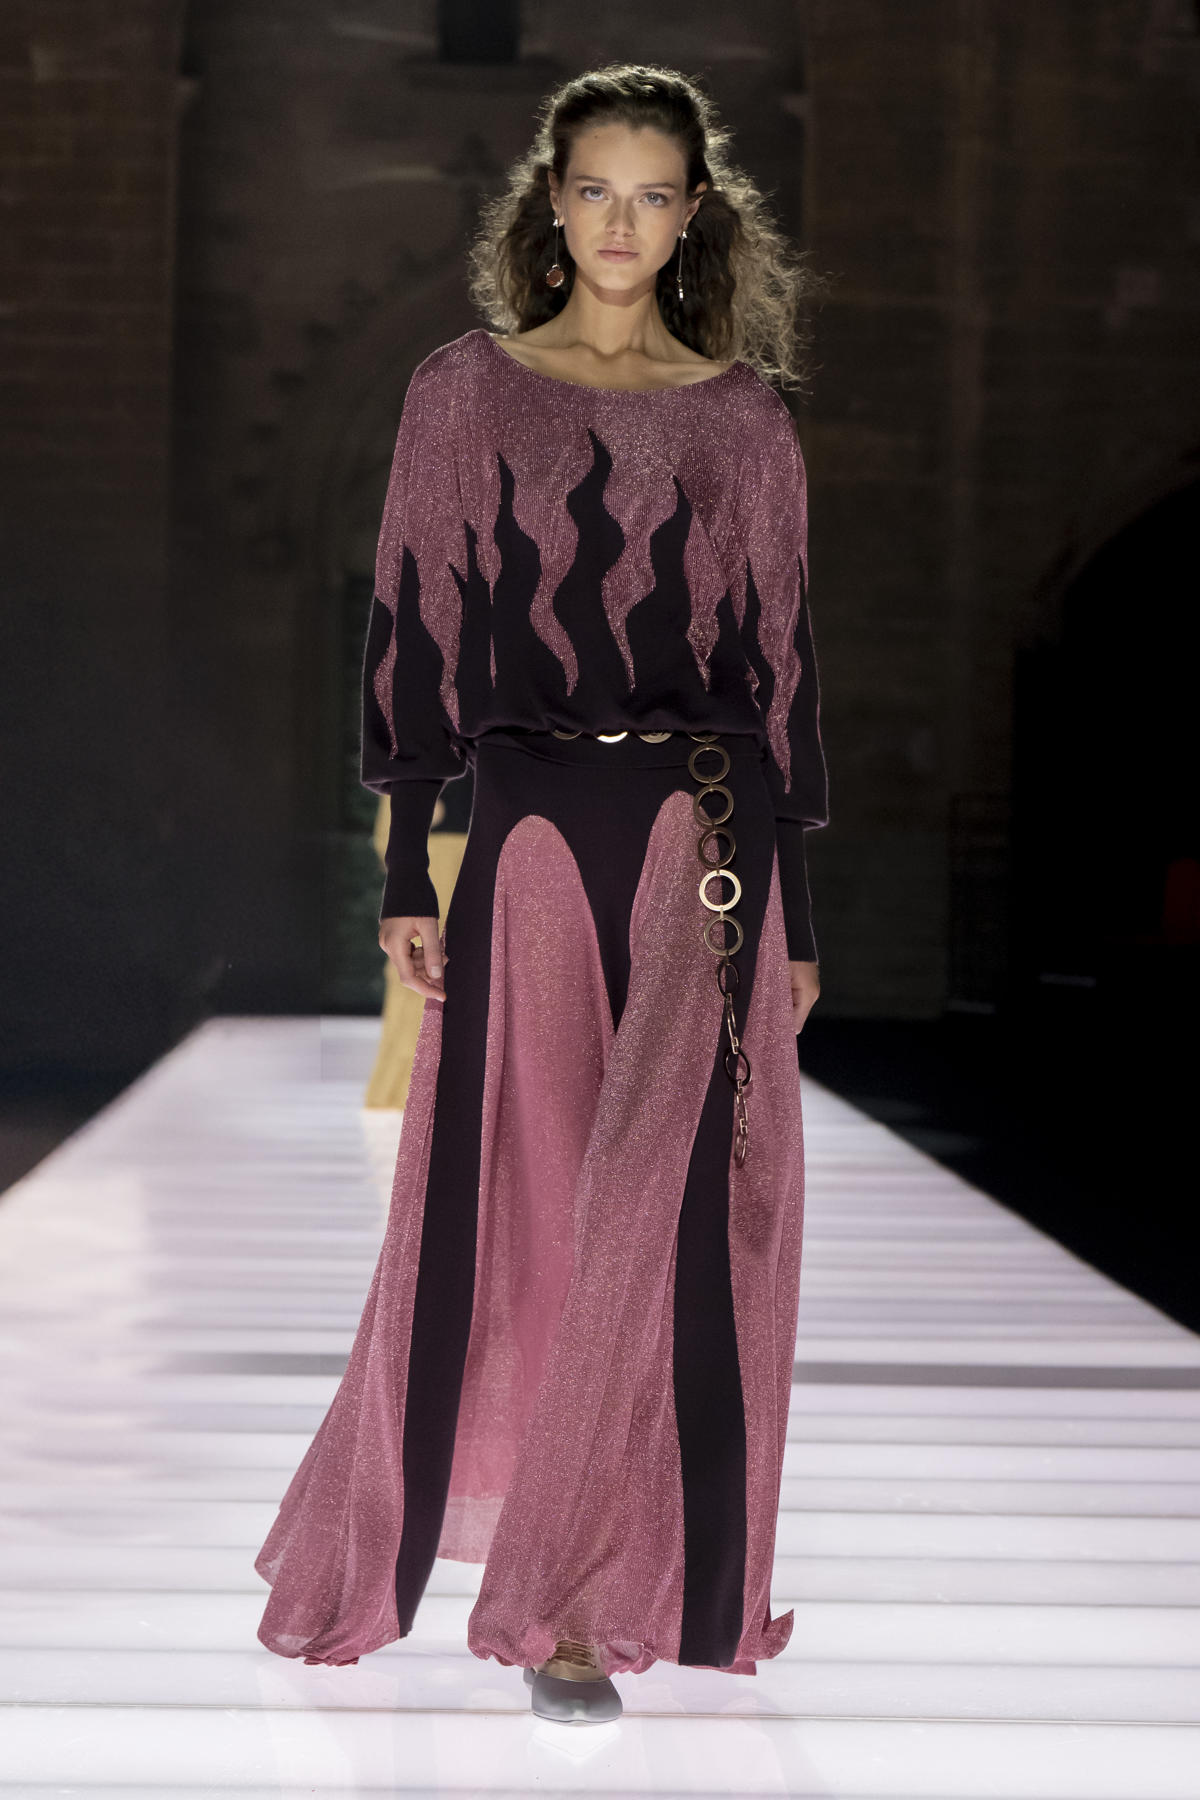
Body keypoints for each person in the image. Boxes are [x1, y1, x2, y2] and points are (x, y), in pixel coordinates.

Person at [254, 61, 830, 1727]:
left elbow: (784, 671)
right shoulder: (463, 394)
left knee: (666, 1212)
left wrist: (796, 918)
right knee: (520, 1200)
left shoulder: (743, 419)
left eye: (654, 195)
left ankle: (577, 1609)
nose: (622, 223)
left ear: (694, 214)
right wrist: (406, 865)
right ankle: (483, 1553)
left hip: (699, 845)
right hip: (523, 845)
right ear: (551, 205)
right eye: (595, 191)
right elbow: (416, 630)